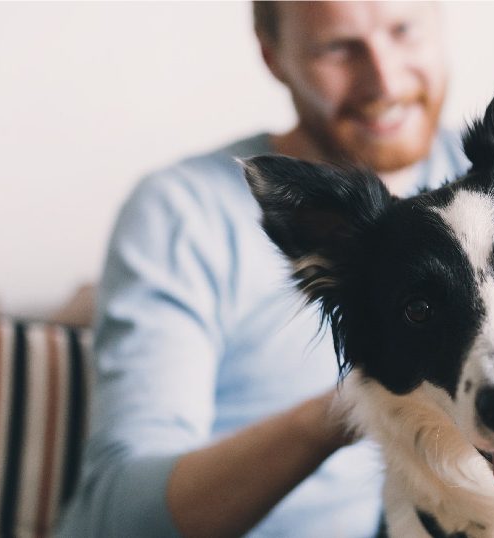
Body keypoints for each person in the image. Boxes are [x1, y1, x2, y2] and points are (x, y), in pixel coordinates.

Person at [57, 2, 468, 537]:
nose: (384, 80)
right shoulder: (184, 212)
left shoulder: (490, 177)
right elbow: (118, 519)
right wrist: (359, 402)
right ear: (273, 56)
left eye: (403, 31)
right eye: (338, 48)